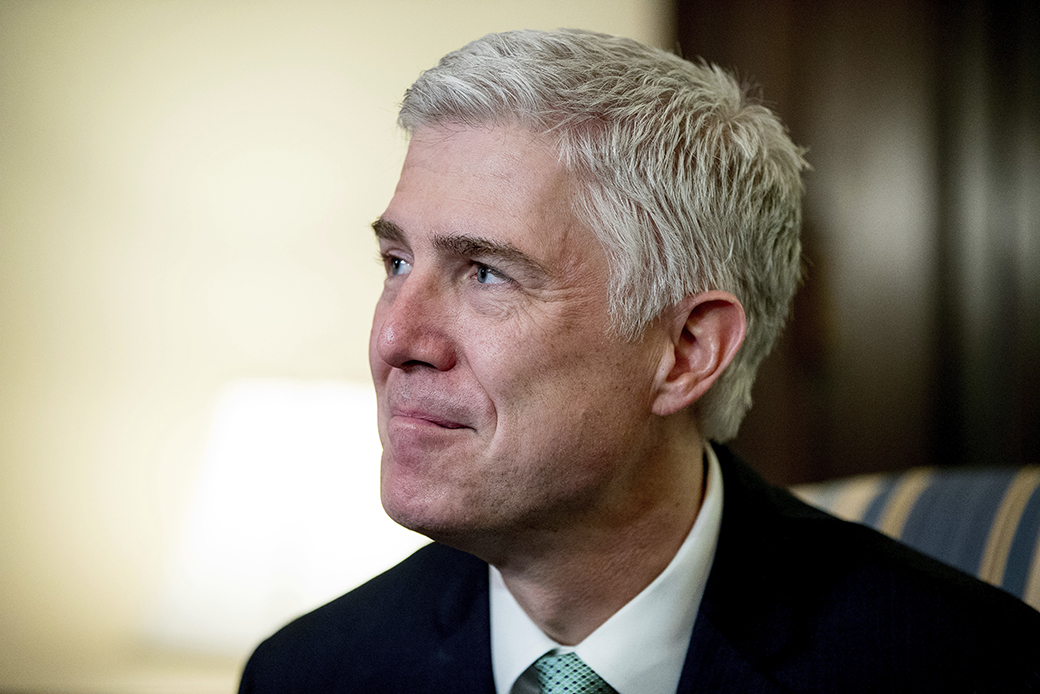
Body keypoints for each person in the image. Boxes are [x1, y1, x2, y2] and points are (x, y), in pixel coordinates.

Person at [239, 29, 1040, 693]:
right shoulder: (309, 674)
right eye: (396, 264)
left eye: (485, 272)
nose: (395, 340)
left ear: (687, 351)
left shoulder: (964, 670)